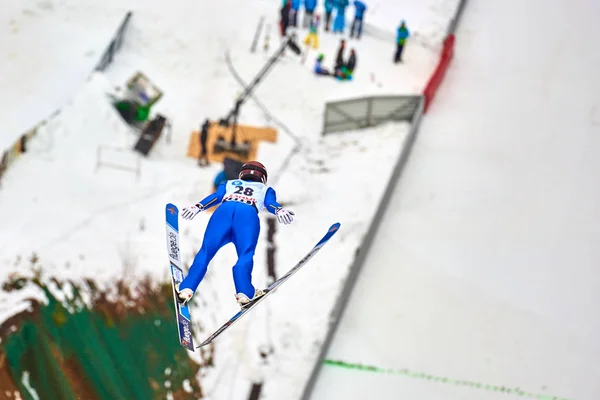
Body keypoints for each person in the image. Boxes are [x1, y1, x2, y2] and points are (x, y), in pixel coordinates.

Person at [177, 161, 295, 308]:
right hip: (247, 216)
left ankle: (186, 288)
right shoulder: (266, 189)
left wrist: (198, 207)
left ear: (242, 174)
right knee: (245, 254)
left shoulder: (228, 183)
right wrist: (279, 210)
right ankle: (244, 292)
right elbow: (270, 203)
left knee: (206, 251)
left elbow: (216, 197)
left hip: (223, 212)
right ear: (263, 177)